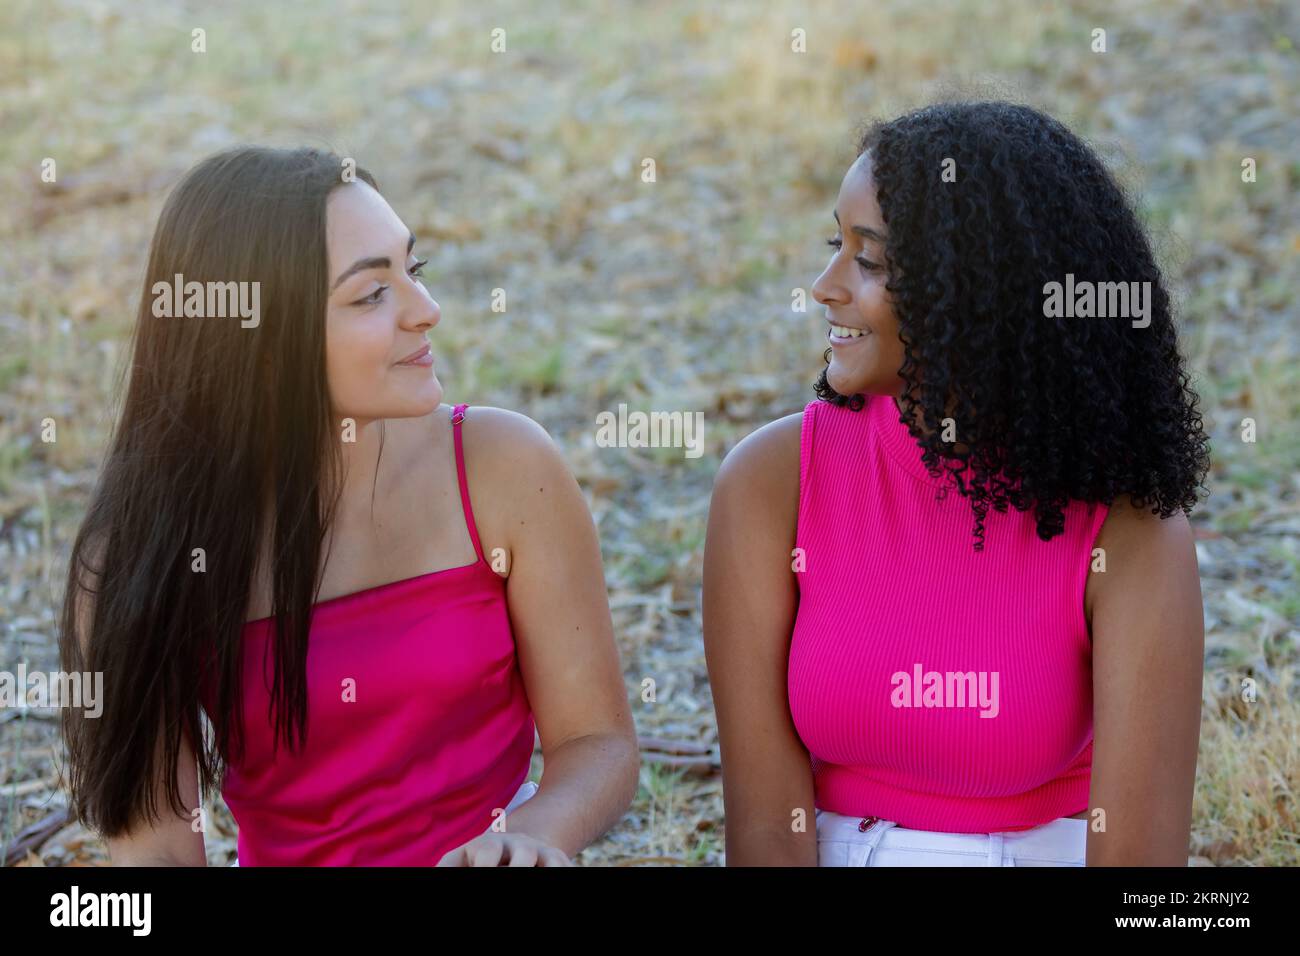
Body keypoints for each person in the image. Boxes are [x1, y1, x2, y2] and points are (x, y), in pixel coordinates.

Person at [59, 146, 639, 867]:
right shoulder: (140, 554)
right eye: (371, 295)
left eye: (413, 271)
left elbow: (598, 742)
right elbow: (160, 856)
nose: (426, 312)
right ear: (260, 344)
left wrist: (529, 837)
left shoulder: (504, 467)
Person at [703, 101, 1209, 866]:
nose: (823, 286)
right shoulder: (773, 483)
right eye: (834, 246)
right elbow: (768, 830)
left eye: (867, 261)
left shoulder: (1126, 526)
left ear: (977, 294)